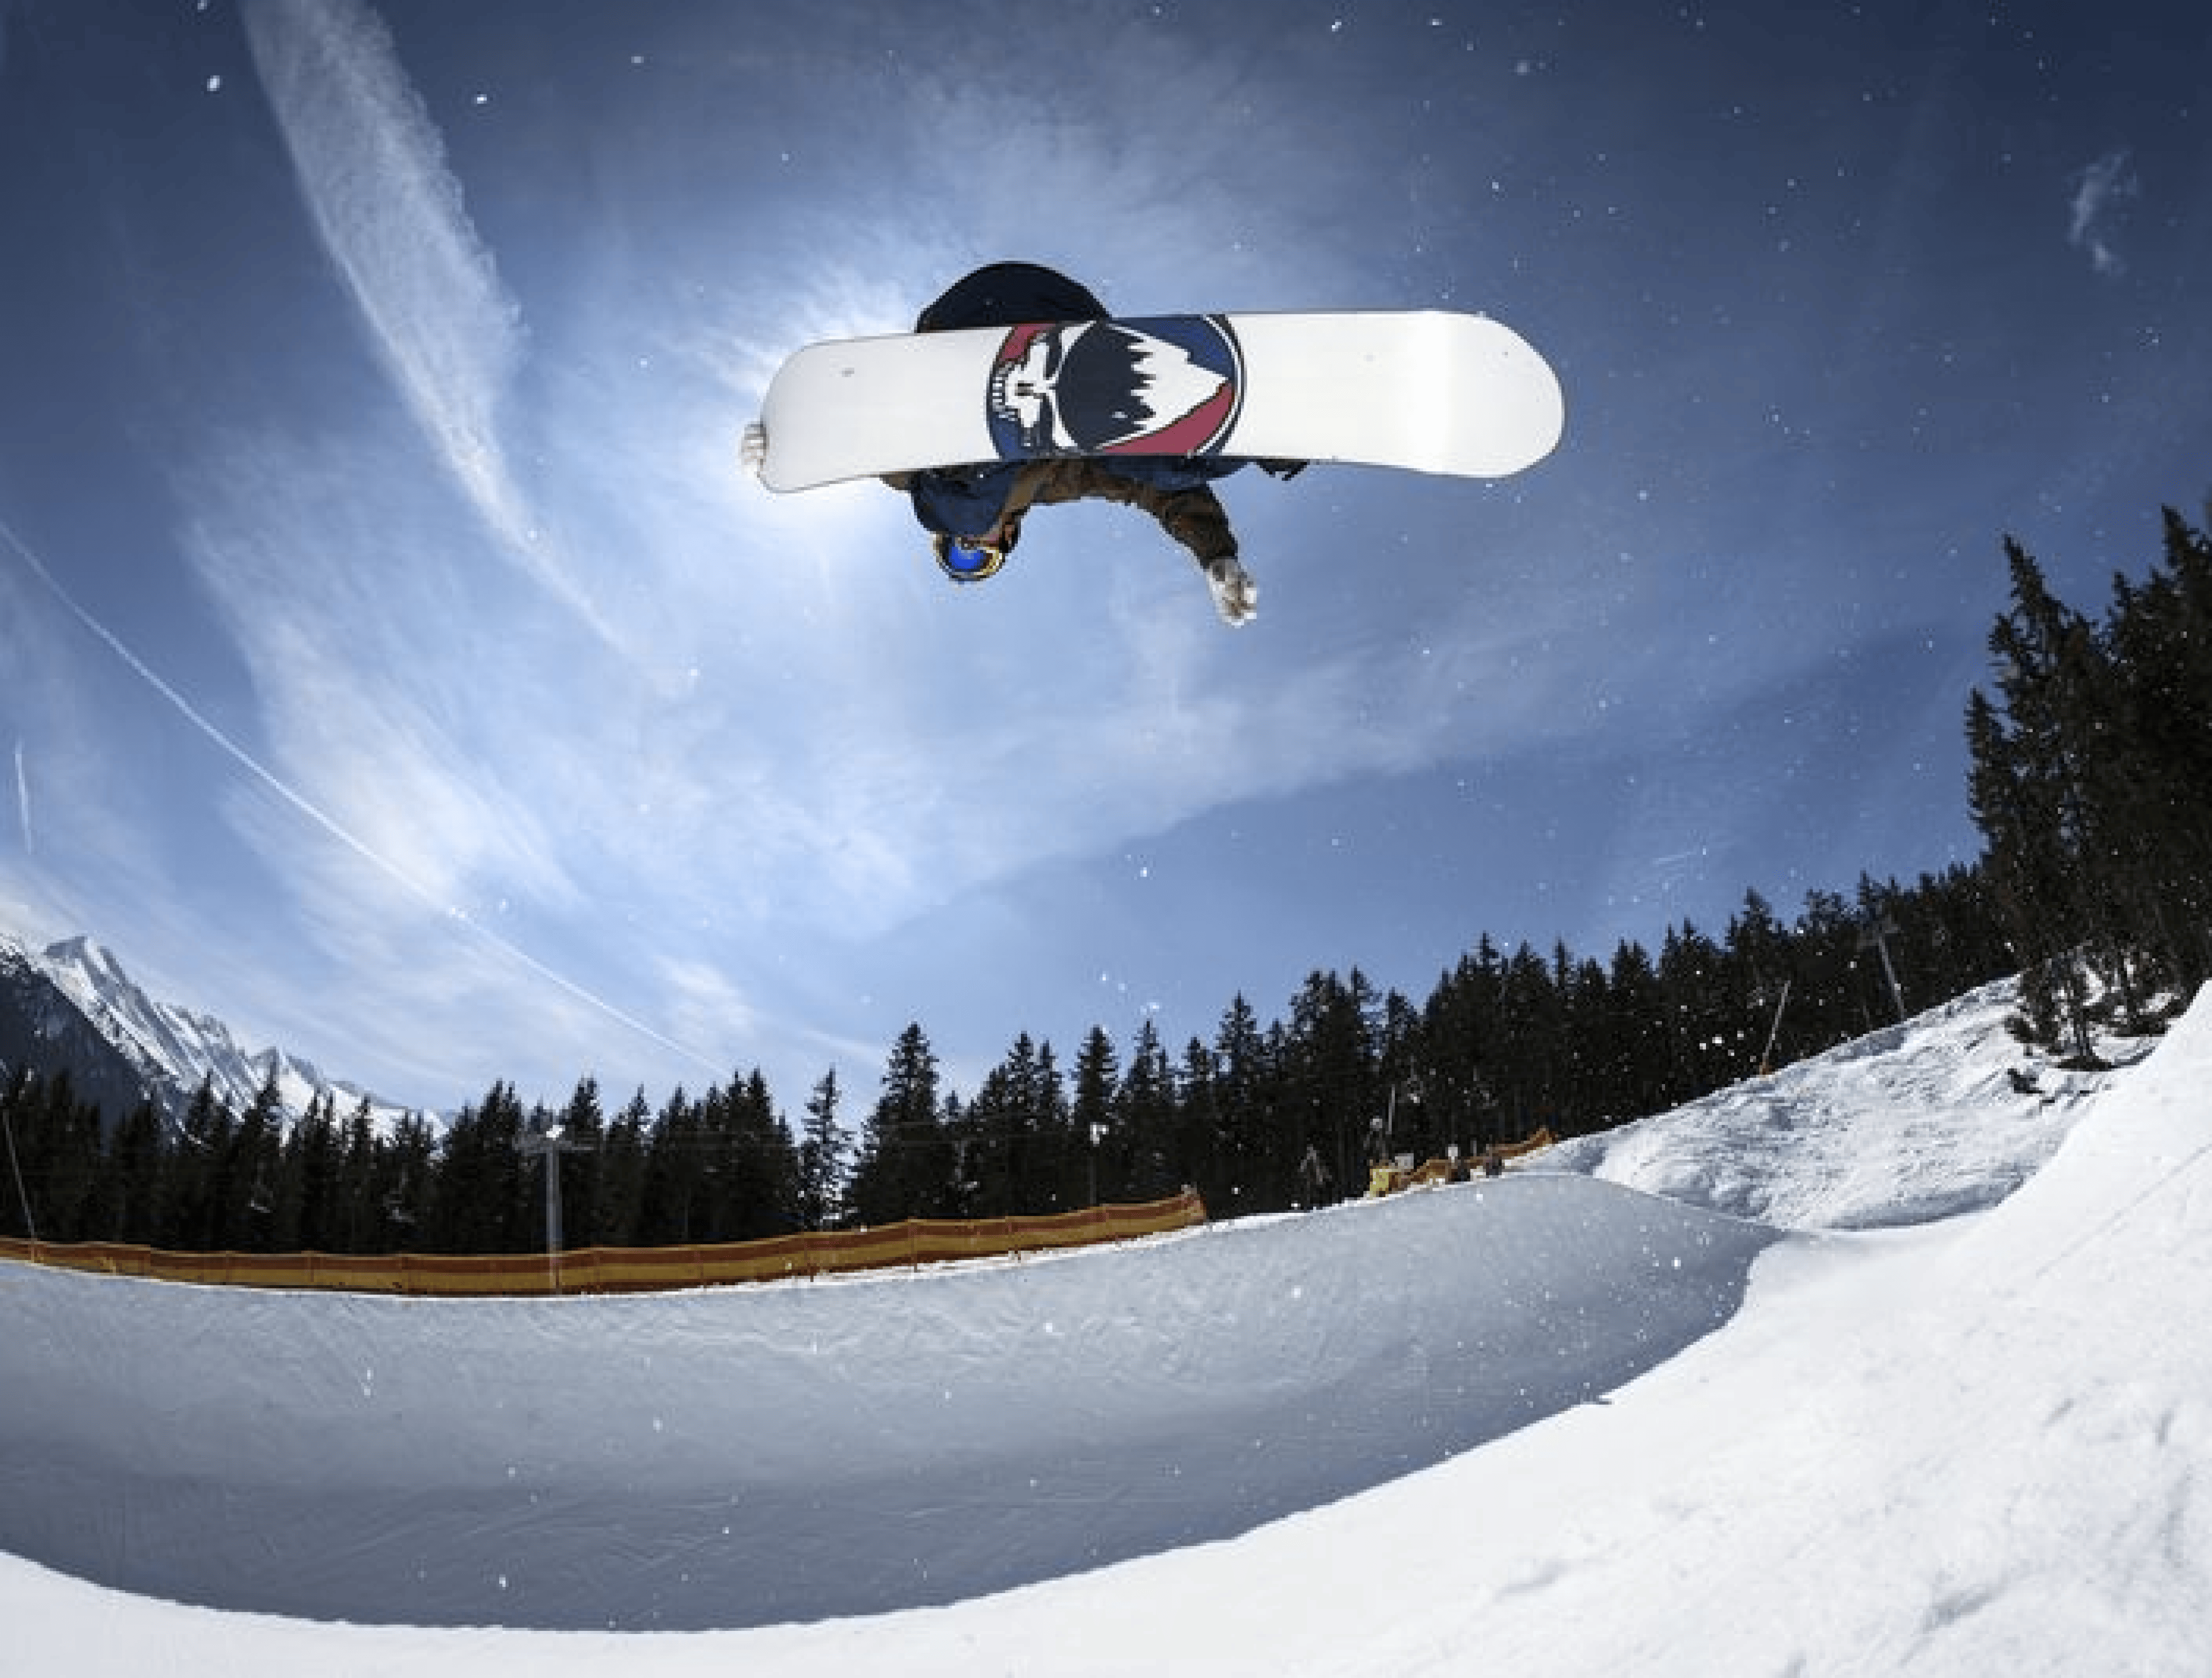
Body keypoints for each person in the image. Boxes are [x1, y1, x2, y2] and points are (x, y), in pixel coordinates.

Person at [884, 262, 1302, 627]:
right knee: (1149, 460)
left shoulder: (933, 485)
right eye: (976, 559)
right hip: (1071, 325)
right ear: (1008, 538)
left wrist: (896, 454)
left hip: (966, 322)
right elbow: (1153, 489)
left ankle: (987, 420)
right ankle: (1252, 423)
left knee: (953, 506)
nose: (969, 546)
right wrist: (1215, 553)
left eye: (955, 551)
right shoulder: (1056, 479)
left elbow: (888, 461)